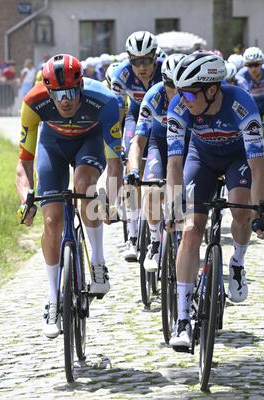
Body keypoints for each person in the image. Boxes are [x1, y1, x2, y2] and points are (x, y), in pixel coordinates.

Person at [165, 52, 264, 350]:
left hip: (238, 158)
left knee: (241, 210)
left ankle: (237, 263)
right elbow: (174, 164)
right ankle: (183, 318)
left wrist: (259, 212)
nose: (182, 98)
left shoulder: (242, 105)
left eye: (189, 92)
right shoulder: (179, 106)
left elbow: (257, 166)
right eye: (179, 90)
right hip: (200, 158)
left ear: (212, 90)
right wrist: (173, 204)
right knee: (190, 230)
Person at [16, 54, 123, 339]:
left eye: (70, 93)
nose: (64, 101)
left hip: (89, 142)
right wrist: (25, 198)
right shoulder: (33, 102)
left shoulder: (105, 101)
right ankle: (53, 299)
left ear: (81, 88)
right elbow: (23, 165)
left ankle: (98, 263)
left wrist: (113, 201)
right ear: (48, 91)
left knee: (84, 185)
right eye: (58, 94)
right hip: (54, 145)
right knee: (51, 220)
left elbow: (115, 163)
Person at [124, 53, 186, 271]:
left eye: (184, 85)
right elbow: (138, 141)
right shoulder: (153, 97)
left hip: (190, 148)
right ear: (163, 81)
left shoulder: (195, 98)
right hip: (158, 145)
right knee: (151, 191)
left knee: (185, 196)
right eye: (171, 84)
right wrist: (132, 169)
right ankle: (155, 243)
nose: (178, 91)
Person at [110, 30, 164, 261]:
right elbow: (118, 113)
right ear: (129, 60)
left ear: (155, 58)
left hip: (162, 118)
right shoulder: (120, 75)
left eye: (146, 61)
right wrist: (119, 145)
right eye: (135, 61)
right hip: (135, 115)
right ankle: (132, 236)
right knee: (131, 170)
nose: (141, 67)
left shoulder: (167, 72)